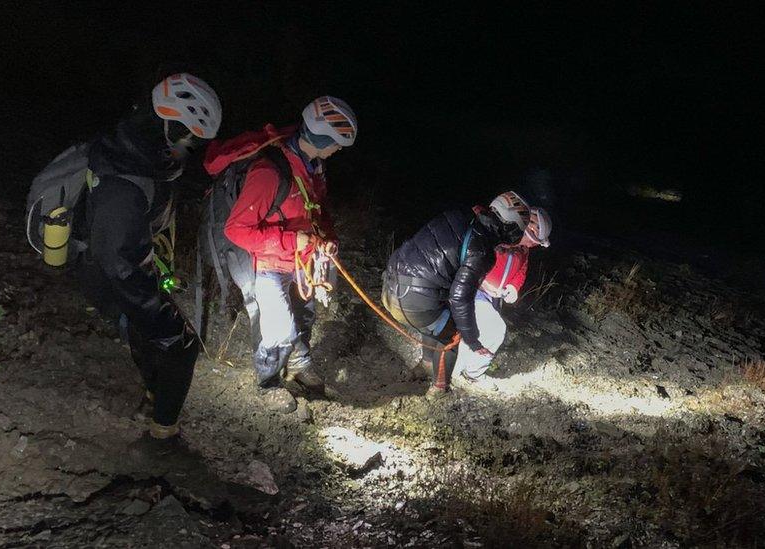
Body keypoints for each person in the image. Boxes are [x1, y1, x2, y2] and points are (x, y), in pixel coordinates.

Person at [78, 73, 222, 440]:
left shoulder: (139, 155)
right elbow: (117, 260)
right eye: (187, 135)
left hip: (117, 271)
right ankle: (164, 437)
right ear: (166, 124)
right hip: (111, 276)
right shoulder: (126, 180)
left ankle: (152, 396)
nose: (190, 146)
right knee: (182, 345)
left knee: (142, 333)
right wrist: (155, 307)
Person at [215, 96, 356, 409]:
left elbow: (319, 213)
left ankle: (299, 364)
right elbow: (236, 230)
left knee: (304, 315)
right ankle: (268, 383)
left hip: (301, 262)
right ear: (321, 138)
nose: (339, 150)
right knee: (279, 329)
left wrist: (327, 238)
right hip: (269, 262)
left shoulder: (313, 170)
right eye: (336, 143)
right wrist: (294, 241)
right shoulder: (269, 173)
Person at [382, 191, 531, 397]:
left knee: (439, 320)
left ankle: (424, 367)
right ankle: (439, 390)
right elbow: (460, 298)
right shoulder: (483, 251)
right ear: (510, 227)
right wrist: (472, 340)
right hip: (411, 302)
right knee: (451, 337)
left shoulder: (459, 215)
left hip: (391, 284)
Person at [452, 207, 552, 392]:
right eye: (534, 241)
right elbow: (472, 255)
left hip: (494, 298)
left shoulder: (523, 249)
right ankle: (471, 373)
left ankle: (458, 370)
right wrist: (481, 282)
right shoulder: (498, 236)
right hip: (474, 291)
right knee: (494, 330)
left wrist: (513, 287)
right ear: (526, 230)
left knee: (476, 331)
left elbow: (521, 270)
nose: (533, 246)